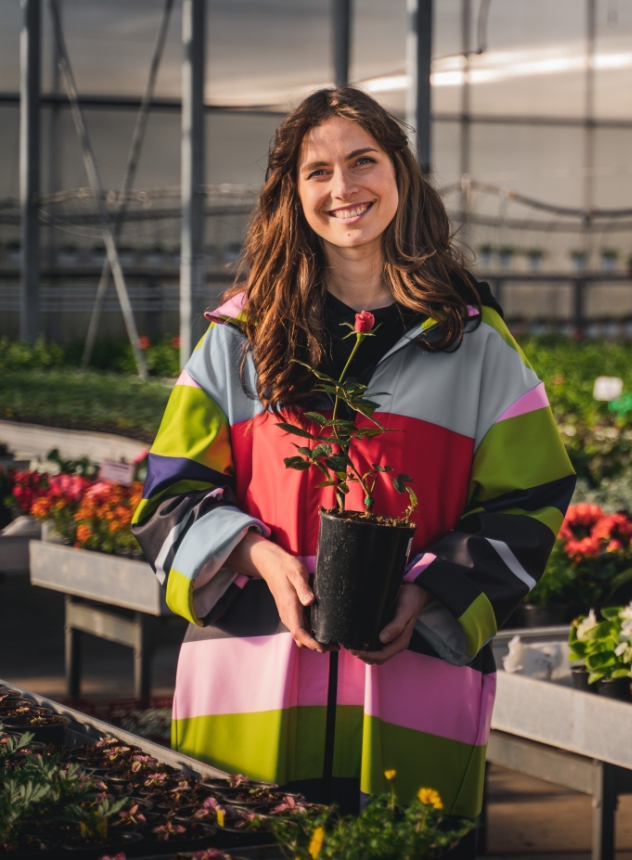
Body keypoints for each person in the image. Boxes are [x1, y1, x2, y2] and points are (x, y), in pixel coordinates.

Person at [132, 87, 574, 835]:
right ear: (290, 192)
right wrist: (257, 556)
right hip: (252, 681)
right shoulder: (239, 341)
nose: (344, 189)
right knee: (249, 837)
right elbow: (168, 498)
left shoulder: (472, 343)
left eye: (363, 161)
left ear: (400, 173)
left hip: (413, 691)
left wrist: (431, 595)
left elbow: (530, 498)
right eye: (318, 171)